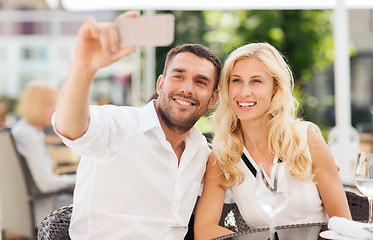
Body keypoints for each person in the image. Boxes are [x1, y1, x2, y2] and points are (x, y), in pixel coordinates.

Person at [52, 11, 221, 239]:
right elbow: (71, 127)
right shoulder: (119, 126)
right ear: (160, 84)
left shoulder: (201, 152)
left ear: (212, 98)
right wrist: (83, 69)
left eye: (200, 82)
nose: (187, 88)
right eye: (178, 76)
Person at [194, 42, 352, 240]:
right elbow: (204, 229)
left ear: (275, 89)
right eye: (236, 81)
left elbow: (343, 223)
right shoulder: (223, 155)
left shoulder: (307, 140)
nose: (244, 92)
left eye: (256, 81)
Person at [11, 80, 76, 227]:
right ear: (36, 106)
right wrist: (78, 178)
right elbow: (45, 184)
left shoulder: (24, 130)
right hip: (45, 214)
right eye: (50, 104)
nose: (56, 109)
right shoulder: (29, 135)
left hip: (32, 209)